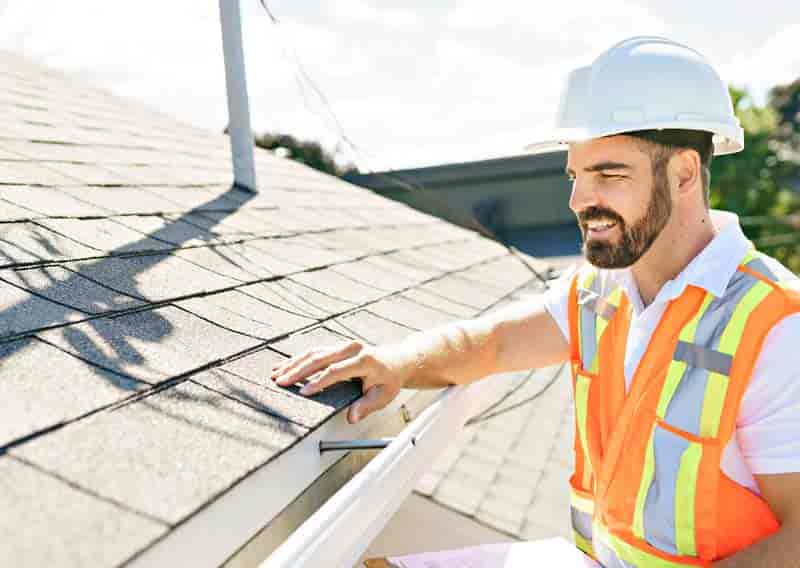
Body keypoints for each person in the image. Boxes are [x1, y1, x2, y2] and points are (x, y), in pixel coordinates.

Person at [271, 37, 800, 567]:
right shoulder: (602, 290)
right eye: (575, 174)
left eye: (609, 174)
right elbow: (493, 344)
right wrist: (395, 361)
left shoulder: (773, 325)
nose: (578, 200)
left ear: (684, 174)